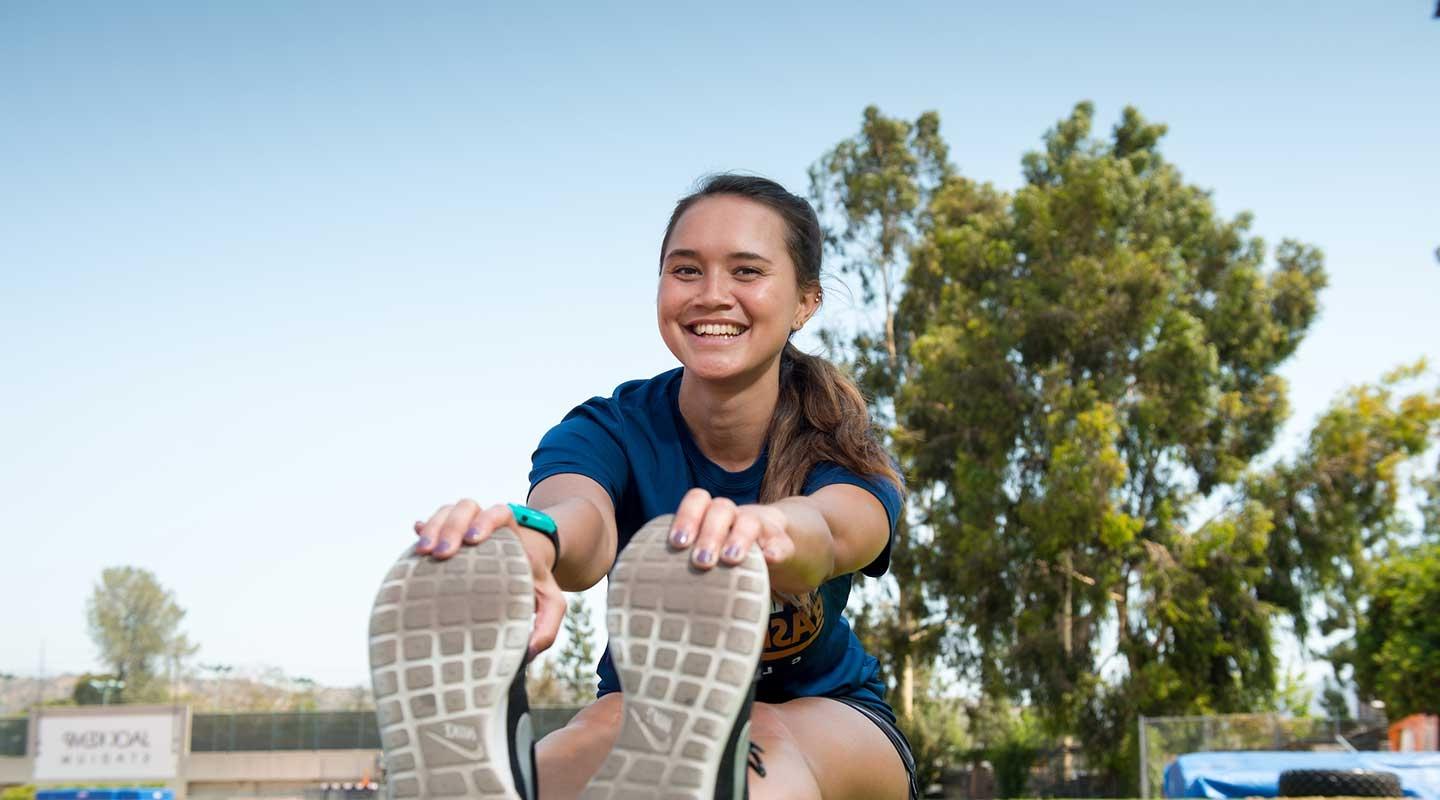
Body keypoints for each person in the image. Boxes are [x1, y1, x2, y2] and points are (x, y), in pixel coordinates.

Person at [370, 174, 918, 800]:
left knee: (760, 741)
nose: (712, 295)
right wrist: (530, 542)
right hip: (647, 705)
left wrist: (773, 531)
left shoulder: (841, 442)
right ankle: (501, 781)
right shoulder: (611, 427)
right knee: (595, 732)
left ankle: (710, 769)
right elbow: (582, 520)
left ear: (805, 302)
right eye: (686, 270)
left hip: (833, 712)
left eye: (746, 271)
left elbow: (834, 529)